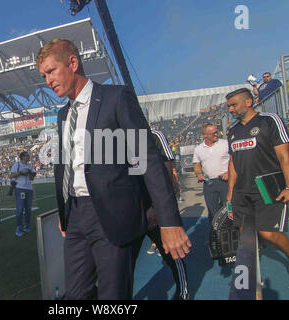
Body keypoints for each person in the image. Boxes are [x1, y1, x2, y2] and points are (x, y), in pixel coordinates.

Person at [37, 38, 191, 299]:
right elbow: (65, 168)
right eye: (44, 75)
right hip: (75, 216)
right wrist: (66, 215)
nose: (48, 81)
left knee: (113, 296)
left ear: (72, 63)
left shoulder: (116, 98)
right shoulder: (64, 115)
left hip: (110, 213)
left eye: (51, 71)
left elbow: (147, 161)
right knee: (76, 295)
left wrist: (168, 221)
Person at [226, 87, 289, 289]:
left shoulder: (270, 120)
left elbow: (284, 156)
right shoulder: (233, 131)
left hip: (267, 189)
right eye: (228, 106)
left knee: (267, 233)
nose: (231, 110)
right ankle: (251, 272)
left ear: (248, 102)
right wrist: (230, 193)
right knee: (246, 236)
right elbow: (233, 163)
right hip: (241, 192)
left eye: (233, 105)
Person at [145, 128, 189, 300]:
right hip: (133, 213)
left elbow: (167, 173)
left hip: (155, 211)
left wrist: (159, 209)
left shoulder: (155, 135)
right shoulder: (115, 137)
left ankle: (183, 292)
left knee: (172, 253)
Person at [193, 123, 229, 225]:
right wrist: (199, 174)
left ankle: (230, 236)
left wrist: (229, 172)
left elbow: (234, 160)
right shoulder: (198, 149)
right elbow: (196, 165)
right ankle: (215, 237)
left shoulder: (225, 144)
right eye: (213, 133)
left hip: (225, 182)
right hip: (209, 184)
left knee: (227, 210)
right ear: (205, 135)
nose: (216, 135)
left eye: (216, 132)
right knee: (212, 211)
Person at [10, 150, 36, 237]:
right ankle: (18, 228)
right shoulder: (17, 165)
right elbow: (11, 176)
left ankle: (26, 226)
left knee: (28, 209)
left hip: (29, 189)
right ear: (22, 157)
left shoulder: (29, 165)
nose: (28, 157)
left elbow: (31, 179)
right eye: (27, 156)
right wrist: (21, 172)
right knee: (20, 209)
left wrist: (31, 174)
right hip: (20, 189)